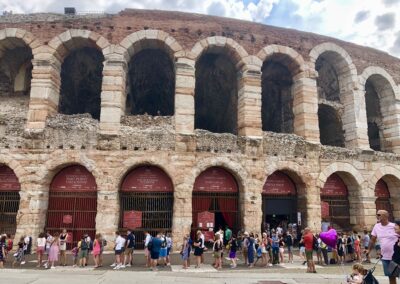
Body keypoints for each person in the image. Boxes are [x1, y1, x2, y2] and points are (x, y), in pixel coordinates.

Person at [366, 210, 399, 284]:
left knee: (398, 275)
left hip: (396, 257)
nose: (377, 216)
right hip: (385, 257)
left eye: (379, 215)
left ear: (386, 216)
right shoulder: (376, 226)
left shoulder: (394, 226)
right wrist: (368, 250)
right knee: (391, 276)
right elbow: (372, 239)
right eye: (377, 214)